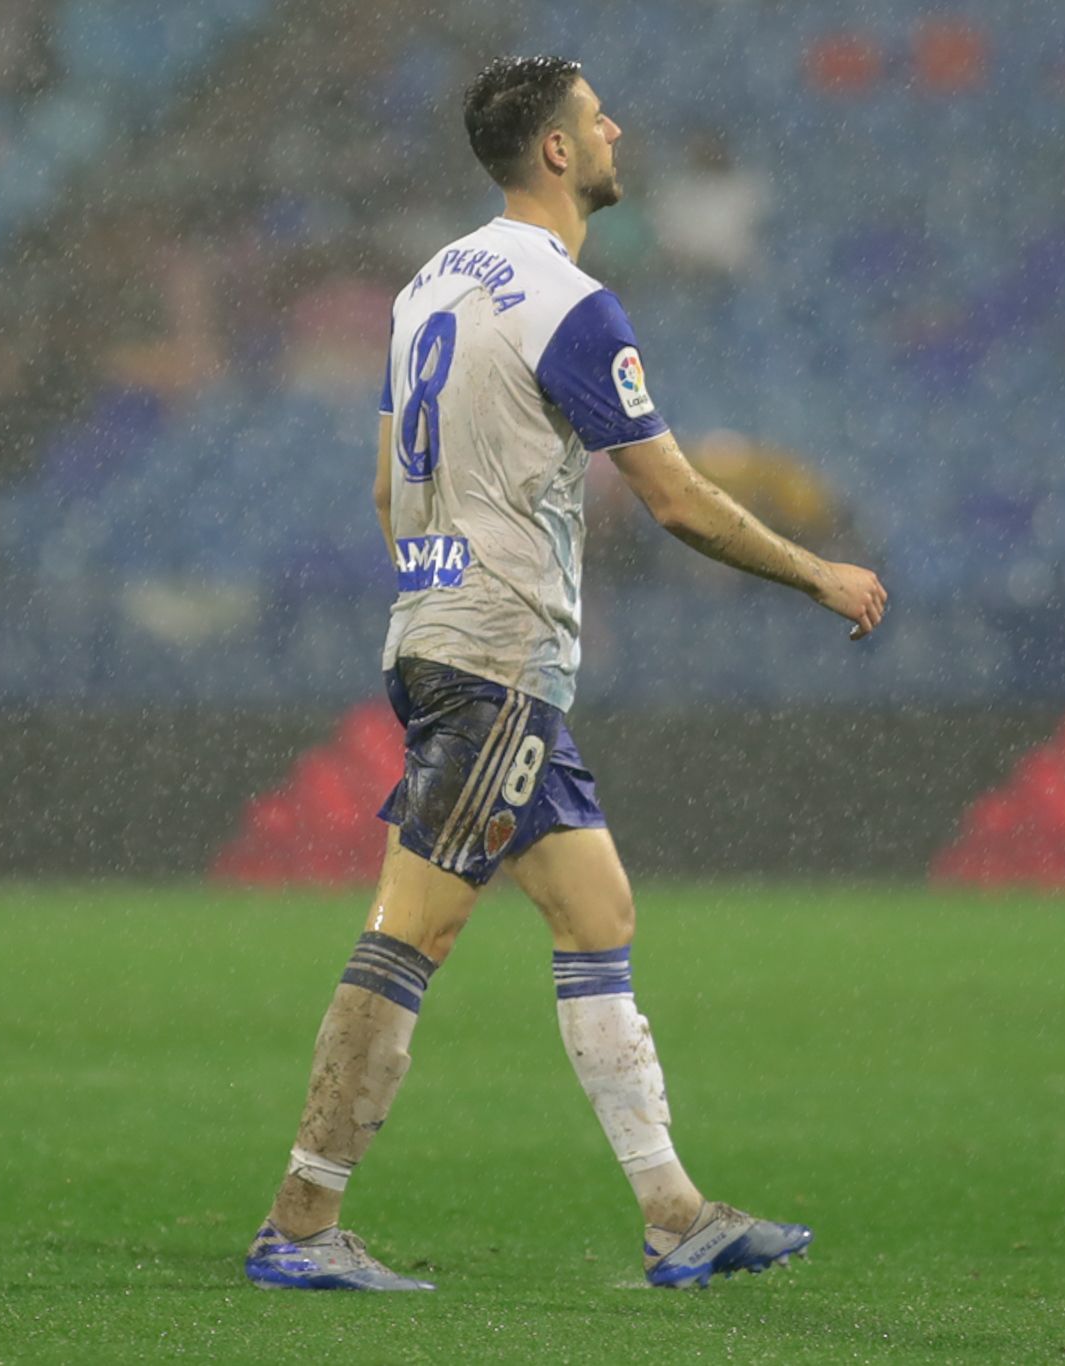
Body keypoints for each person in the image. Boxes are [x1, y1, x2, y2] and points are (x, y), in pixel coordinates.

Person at [243, 55, 887, 1293]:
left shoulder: (425, 287)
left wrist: (442, 586)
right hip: (495, 664)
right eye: (597, 119)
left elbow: (389, 488)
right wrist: (817, 574)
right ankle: (302, 1222)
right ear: (554, 150)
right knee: (409, 935)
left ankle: (672, 1213)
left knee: (596, 913)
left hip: (454, 640)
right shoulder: (569, 305)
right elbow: (678, 500)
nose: (615, 130)